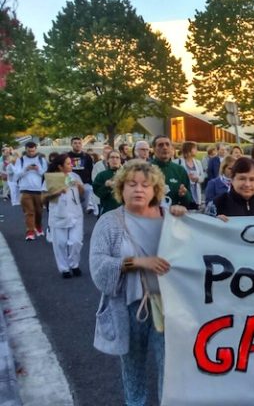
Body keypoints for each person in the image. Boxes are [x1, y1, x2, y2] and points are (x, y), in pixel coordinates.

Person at [89, 160, 187, 406]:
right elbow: (99, 267)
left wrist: (186, 220)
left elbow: (195, 252)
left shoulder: (171, 219)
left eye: (145, 185)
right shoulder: (110, 222)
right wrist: (138, 262)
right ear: (121, 189)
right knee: (133, 370)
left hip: (170, 307)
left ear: (156, 191)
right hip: (130, 307)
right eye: (131, 184)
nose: (138, 189)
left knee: (171, 369)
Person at [42, 154, 85, 278]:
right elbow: (43, 198)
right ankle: (64, 268)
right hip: (59, 215)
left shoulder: (74, 176)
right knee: (60, 243)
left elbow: (81, 194)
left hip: (75, 214)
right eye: (68, 163)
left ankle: (74, 264)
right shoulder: (51, 179)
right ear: (60, 167)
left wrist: (80, 186)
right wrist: (58, 191)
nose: (71, 165)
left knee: (76, 242)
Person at [13, 141, 47, 241]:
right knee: (29, 212)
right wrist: (26, 169)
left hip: (38, 189)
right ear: (26, 150)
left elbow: (45, 174)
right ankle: (30, 231)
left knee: (39, 212)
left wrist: (38, 169)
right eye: (29, 151)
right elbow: (16, 175)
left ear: (36, 149)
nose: (31, 153)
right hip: (25, 189)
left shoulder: (41, 160)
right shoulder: (21, 160)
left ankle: (38, 227)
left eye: (33, 151)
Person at [150, 135, 195, 208]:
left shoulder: (180, 170)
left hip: (174, 214)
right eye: (160, 145)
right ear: (154, 149)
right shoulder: (145, 169)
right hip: (151, 214)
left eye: (167, 144)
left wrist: (184, 194)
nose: (165, 147)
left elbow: (189, 200)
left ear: (171, 148)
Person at [68, 137, 97, 214]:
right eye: (75, 143)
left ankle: (89, 206)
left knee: (89, 189)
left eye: (79, 143)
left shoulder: (87, 157)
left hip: (84, 182)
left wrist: (91, 181)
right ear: (71, 144)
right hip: (71, 182)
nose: (77, 145)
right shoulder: (67, 156)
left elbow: (91, 169)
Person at [173, 141, 205, 206]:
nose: (197, 150)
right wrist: (185, 177)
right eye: (195, 148)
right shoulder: (177, 162)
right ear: (189, 149)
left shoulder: (198, 162)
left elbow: (202, 177)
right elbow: (174, 178)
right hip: (183, 192)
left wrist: (197, 179)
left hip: (196, 193)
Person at [93, 150, 123, 216]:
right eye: (112, 157)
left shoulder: (126, 174)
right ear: (108, 161)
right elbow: (98, 193)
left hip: (124, 211)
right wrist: (106, 186)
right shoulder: (101, 175)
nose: (115, 160)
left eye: (117, 157)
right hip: (107, 210)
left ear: (120, 160)